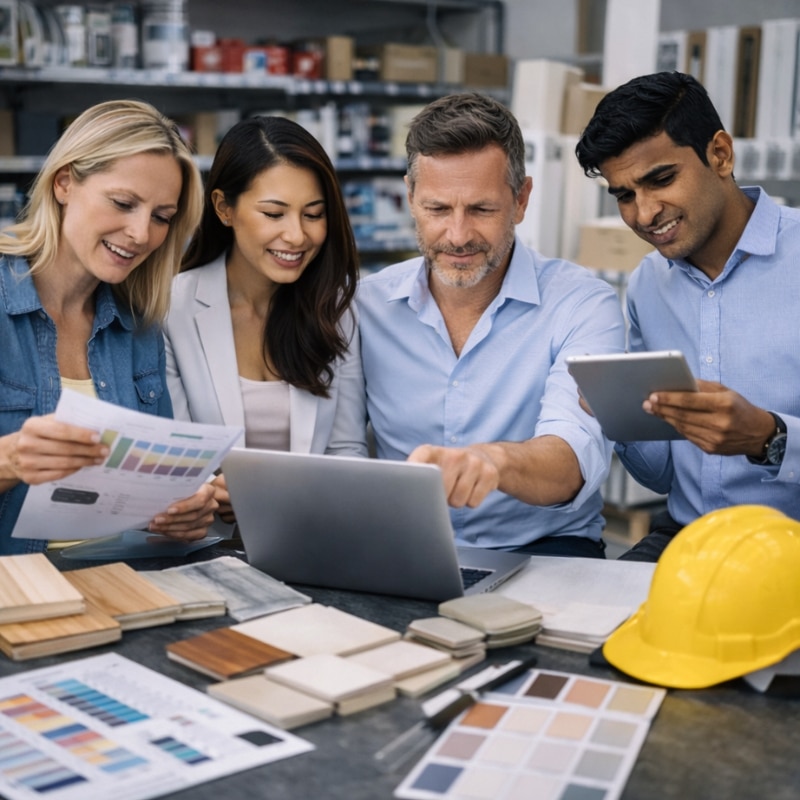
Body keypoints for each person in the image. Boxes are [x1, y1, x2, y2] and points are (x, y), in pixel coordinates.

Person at [356, 92, 626, 557]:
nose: (458, 235)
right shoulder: (366, 306)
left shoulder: (583, 305)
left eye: (481, 210)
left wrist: (492, 461)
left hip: (544, 549)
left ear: (521, 200)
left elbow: (573, 456)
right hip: (405, 548)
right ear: (410, 199)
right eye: (438, 209)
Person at [575, 71, 800, 562]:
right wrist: (618, 415)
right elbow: (659, 475)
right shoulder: (648, 285)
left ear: (719, 154)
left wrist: (770, 438)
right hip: (688, 535)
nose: (645, 212)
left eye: (661, 179)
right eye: (624, 195)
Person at [0, 99, 216, 556]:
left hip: (124, 579)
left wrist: (181, 513)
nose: (141, 234)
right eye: (123, 203)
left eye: (161, 217)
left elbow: (148, 493)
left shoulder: (136, 325)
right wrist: (9, 460)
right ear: (64, 183)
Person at [164, 115, 367, 523]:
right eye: (274, 214)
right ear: (224, 208)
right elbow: (176, 460)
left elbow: (347, 452)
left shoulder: (335, 306)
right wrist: (208, 493)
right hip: (204, 548)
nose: (297, 235)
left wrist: (262, 495)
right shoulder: (174, 307)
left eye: (313, 214)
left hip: (311, 539)